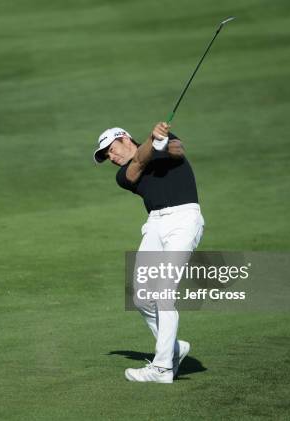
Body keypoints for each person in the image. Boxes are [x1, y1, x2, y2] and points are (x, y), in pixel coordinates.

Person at [94, 122, 205, 383]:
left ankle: (163, 367)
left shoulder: (167, 140)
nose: (111, 157)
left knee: (164, 292)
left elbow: (177, 151)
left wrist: (161, 142)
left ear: (124, 138)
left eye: (111, 149)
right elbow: (138, 167)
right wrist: (152, 140)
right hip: (155, 224)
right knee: (141, 296)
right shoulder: (123, 175)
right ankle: (174, 349)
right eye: (107, 155)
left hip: (184, 219)